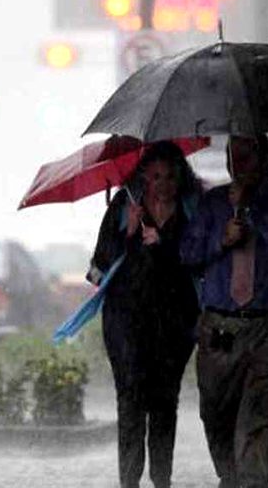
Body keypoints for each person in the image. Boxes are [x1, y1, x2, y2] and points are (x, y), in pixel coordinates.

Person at [180, 134, 268, 488]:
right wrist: (221, 240)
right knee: (215, 411)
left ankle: (255, 482)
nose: (239, 164)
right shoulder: (212, 204)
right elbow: (188, 255)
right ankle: (232, 476)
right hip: (220, 328)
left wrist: (253, 212)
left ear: (265, 159)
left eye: (247, 156)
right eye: (233, 156)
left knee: (263, 415)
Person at [87, 141, 201, 488]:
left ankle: (161, 480)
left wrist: (164, 245)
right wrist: (129, 233)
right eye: (155, 176)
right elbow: (96, 271)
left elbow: (201, 260)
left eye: (170, 176)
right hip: (126, 321)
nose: (163, 184)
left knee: (165, 400)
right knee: (131, 398)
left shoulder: (193, 210)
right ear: (143, 178)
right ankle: (129, 481)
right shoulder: (124, 206)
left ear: (181, 177)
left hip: (175, 322)